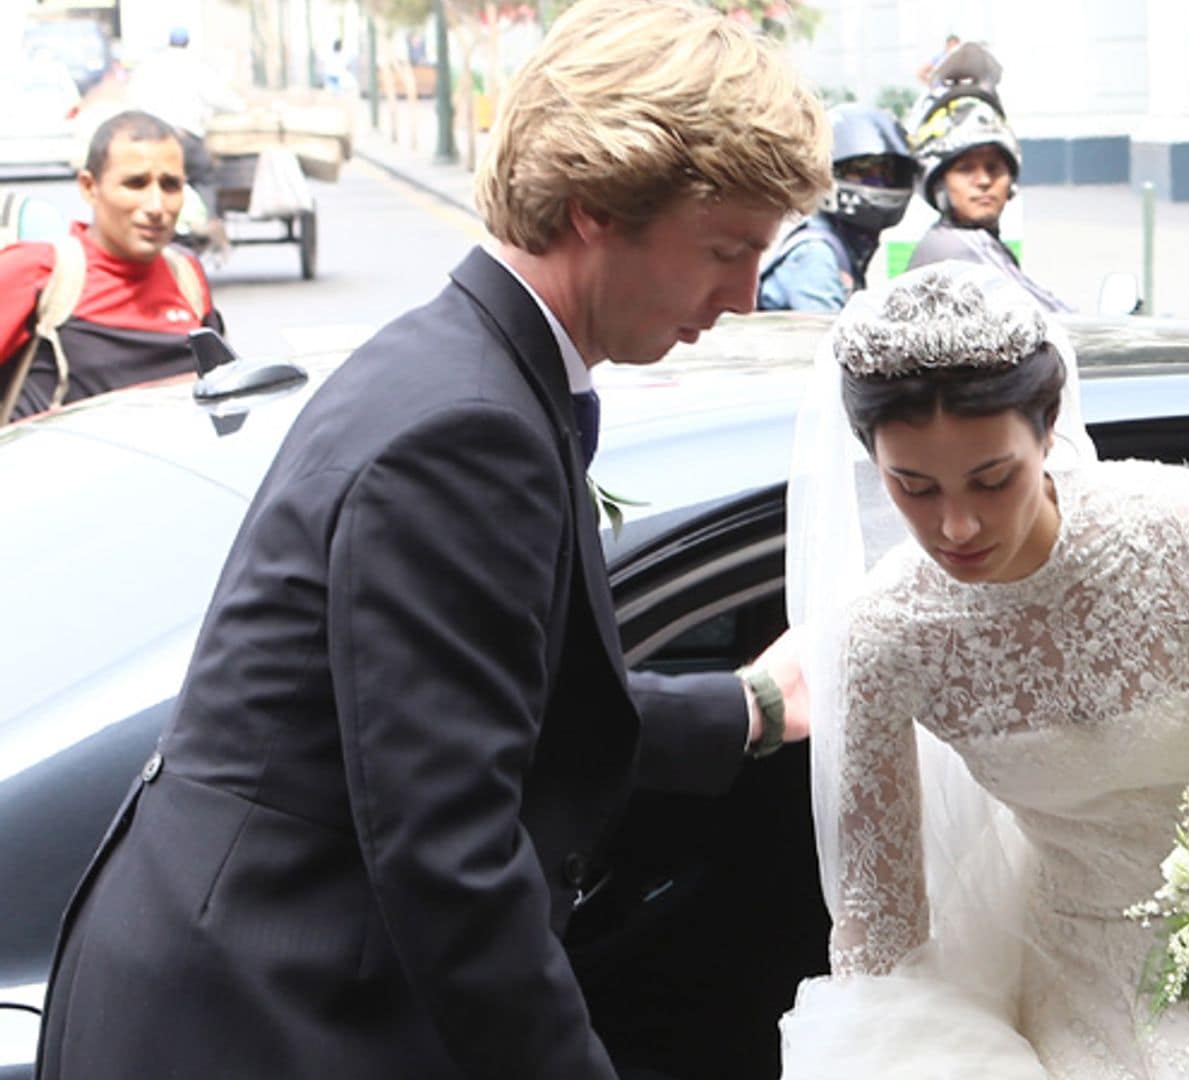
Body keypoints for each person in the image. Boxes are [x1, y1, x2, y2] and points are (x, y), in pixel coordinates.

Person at [34, 4, 827, 1077]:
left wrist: (749, 706)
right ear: (595, 206)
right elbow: (452, 860)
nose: (741, 295)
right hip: (261, 1021)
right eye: (726, 250)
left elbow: (498, 703)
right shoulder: (472, 430)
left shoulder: (459, 362)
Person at [777, 262, 1189, 1077]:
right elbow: (881, 925)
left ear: (1049, 425)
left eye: (993, 479)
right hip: (1077, 978)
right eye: (912, 487)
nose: (956, 524)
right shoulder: (888, 635)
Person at [0, 110, 221, 423]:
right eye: (136, 184)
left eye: (170, 186)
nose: (155, 207)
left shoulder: (186, 275)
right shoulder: (40, 271)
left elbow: (223, 391)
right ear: (90, 187)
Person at [905, 52, 1071, 312]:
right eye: (965, 169)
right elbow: (1053, 323)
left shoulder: (973, 241)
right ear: (939, 184)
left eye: (994, 168)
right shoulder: (959, 251)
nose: (983, 180)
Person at [758, 104, 917, 312]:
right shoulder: (815, 254)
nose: (879, 182)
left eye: (887, 171)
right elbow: (825, 340)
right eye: (863, 169)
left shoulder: (851, 243)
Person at [125, 26, 244, 209]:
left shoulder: (149, 67)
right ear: (187, 43)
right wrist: (239, 107)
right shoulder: (197, 67)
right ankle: (207, 222)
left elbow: (132, 102)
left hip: (154, 140)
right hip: (187, 138)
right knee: (204, 180)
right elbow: (224, 100)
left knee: (151, 182)